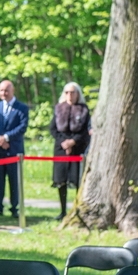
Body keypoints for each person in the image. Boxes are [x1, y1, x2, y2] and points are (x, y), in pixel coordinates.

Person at [50, 83, 90, 220]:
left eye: (73, 92)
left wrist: (73, 142)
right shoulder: (58, 108)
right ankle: (62, 211)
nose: (70, 95)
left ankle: (78, 210)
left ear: (78, 94)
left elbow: (85, 131)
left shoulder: (84, 109)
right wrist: (64, 142)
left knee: (77, 180)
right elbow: (53, 129)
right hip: (61, 149)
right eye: (67, 92)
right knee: (61, 181)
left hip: (77, 149)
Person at [0, 80, 29, 218]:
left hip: (14, 150)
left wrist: (6, 138)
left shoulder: (22, 108)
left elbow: (22, 127)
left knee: (14, 181)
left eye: (6, 90)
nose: (3, 93)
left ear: (13, 91)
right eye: (1, 90)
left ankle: (14, 208)